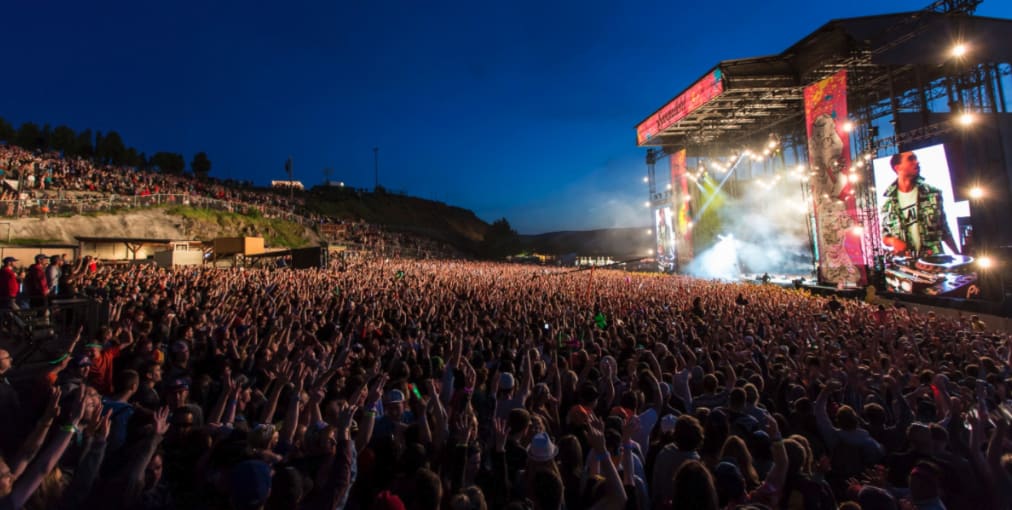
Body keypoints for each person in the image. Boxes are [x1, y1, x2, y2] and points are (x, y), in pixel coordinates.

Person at [880, 151, 958, 256]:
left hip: (933, 262)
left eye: (916, 159)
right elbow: (885, 236)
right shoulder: (888, 204)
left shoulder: (933, 194)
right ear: (897, 167)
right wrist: (893, 241)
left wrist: (958, 255)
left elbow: (944, 229)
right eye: (911, 159)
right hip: (907, 266)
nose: (916, 162)